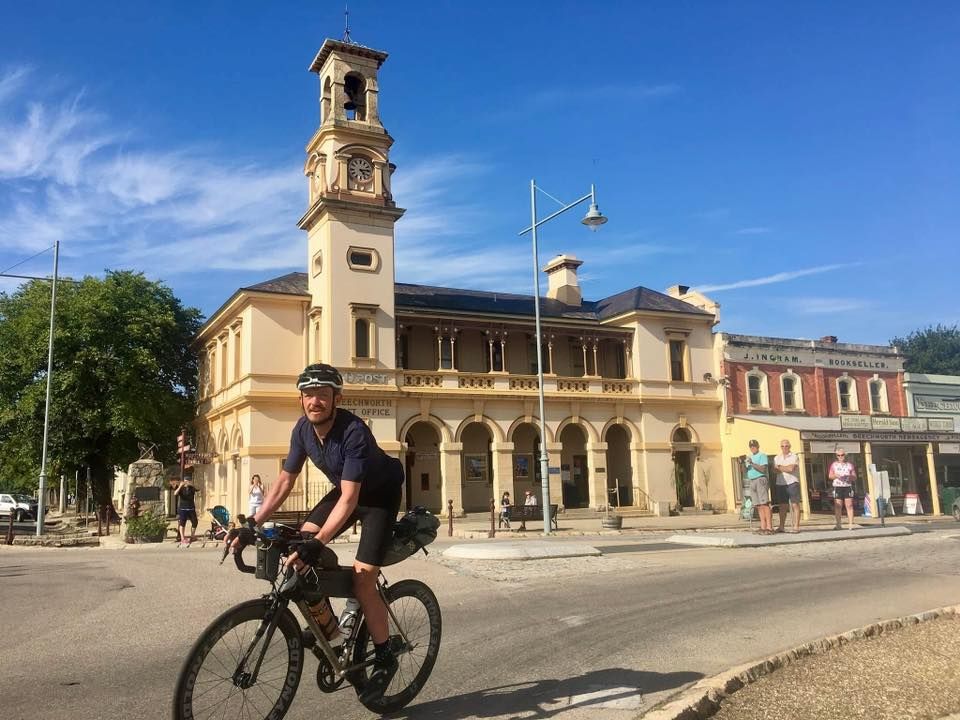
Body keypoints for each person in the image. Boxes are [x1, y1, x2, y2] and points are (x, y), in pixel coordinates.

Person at [232, 363, 404, 703]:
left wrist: (318, 541)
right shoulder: (302, 430)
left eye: (323, 395)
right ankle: (329, 627)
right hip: (344, 492)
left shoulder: (353, 430)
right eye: (309, 395)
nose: (315, 401)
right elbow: (284, 481)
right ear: (301, 400)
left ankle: (385, 654)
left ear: (336, 399)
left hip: (378, 498)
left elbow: (353, 498)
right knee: (296, 547)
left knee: (362, 578)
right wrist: (253, 522)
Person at [744, 440, 773, 535]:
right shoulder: (749, 457)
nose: (752, 448)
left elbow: (763, 469)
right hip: (751, 480)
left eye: (754, 446)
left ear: (758, 446)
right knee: (758, 505)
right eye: (751, 447)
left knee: (764, 503)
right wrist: (743, 463)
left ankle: (769, 527)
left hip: (760, 479)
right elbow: (746, 470)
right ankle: (763, 526)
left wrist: (752, 463)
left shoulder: (762, 455)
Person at [774, 439, 802, 533]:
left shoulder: (794, 456)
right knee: (782, 506)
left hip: (792, 482)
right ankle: (781, 526)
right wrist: (784, 468)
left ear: (789, 446)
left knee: (795, 504)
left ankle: (796, 526)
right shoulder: (777, 457)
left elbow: (791, 469)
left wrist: (780, 467)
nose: (784, 448)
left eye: (786, 446)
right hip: (781, 483)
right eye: (782, 446)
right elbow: (775, 470)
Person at [828, 448, 857, 530]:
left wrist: (849, 476)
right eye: (839, 455)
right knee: (838, 506)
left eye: (842, 455)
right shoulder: (834, 465)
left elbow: (855, 477)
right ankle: (838, 524)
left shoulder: (849, 465)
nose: (840, 456)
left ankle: (851, 524)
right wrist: (836, 476)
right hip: (838, 486)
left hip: (847, 486)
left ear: (845, 455)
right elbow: (830, 476)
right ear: (836, 456)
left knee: (849, 505)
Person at [174, 477, 198, 547]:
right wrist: (180, 486)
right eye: (185, 481)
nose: (187, 482)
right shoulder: (181, 488)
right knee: (182, 523)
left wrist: (192, 485)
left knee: (195, 522)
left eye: (188, 481)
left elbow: (197, 490)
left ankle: (192, 536)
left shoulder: (192, 488)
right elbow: (175, 493)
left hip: (191, 508)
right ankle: (182, 538)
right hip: (183, 509)